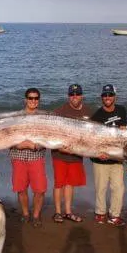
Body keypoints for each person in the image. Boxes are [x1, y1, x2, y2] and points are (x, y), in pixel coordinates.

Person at [51, 84, 92, 223]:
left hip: (76, 154)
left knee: (70, 184)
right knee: (59, 184)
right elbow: (50, 130)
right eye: (72, 94)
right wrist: (60, 146)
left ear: (82, 95)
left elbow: (93, 134)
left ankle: (68, 212)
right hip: (59, 154)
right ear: (68, 96)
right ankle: (57, 212)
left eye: (77, 94)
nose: (75, 97)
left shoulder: (88, 111)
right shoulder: (60, 111)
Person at [9, 88, 47, 227]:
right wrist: (17, 145)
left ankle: (36, 215)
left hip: (36, 156)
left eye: (36, 98)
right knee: (21, 189)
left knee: (40, 189)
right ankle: (25, 213)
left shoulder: (44, 117)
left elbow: (49, 137)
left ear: (39, 100)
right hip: (18, 156)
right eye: (30, 98)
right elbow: (7, 135)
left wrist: (35, 146)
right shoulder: (16, 117)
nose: (33, 101)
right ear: (25, 99)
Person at [90, 84, 127, 227]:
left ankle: (114, 215)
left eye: (110, 95)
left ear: (115, 97)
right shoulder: (97, 115)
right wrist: (99, 153)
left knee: (119, 188)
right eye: (105, 95)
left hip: (116, 158)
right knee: (101, 188)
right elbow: (91, 139)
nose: (107, 98)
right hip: (100, 158)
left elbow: (122, 134)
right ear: (101, 98)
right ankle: (100, 213)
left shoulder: (122, 110)